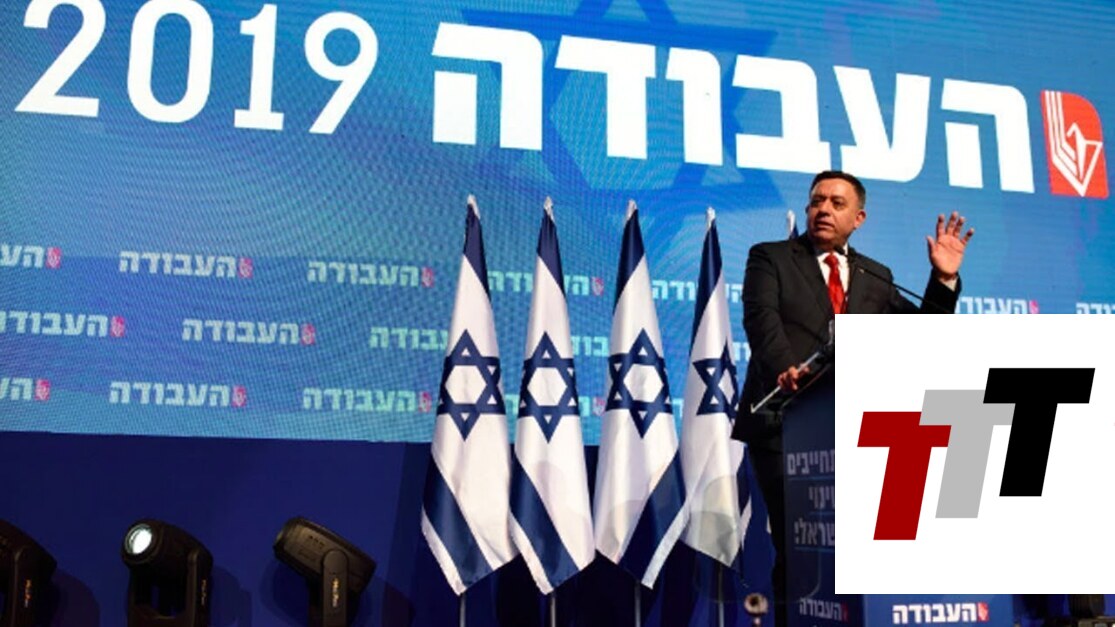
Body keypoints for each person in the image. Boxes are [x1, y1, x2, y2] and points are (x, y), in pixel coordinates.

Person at [731, 170, 973, 626]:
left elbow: (924, 337)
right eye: (817, 200)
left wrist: (943, 279)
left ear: (858, 218)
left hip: (853, 432)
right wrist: (786, 368)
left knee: (852, 549)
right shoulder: (770, 257)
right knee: (800, 547)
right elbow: (761, 321)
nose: (823, 209)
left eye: (836, 203)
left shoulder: (874, 276)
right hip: (783, 427)